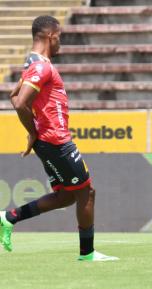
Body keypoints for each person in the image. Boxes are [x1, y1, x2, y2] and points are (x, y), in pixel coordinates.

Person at [3, 15, 118, 261]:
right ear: (50, 36)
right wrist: (33, 132)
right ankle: (87, 254)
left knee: (65, 195)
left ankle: (8, 218)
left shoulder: (32, 64)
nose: (60, 43)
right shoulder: (42, 67)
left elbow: (14, 96)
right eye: (59, 38)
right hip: (56, 141)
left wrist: (35, 131)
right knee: (87, 192)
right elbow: (20, 102)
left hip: (48, 141)